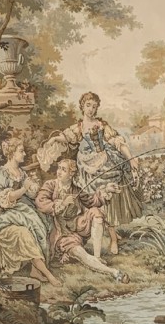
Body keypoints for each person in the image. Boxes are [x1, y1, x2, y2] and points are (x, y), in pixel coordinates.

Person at [0, 137, 60, 286]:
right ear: (11, 153)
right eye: (21, 151)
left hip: (18, 211)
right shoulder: (1, 173)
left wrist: (33, 186)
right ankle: (47, 274)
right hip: (1, 215)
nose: (24, 154)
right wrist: (24, 188)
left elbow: (29, 194)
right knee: (25, 232)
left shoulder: (21, 173)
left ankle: (36, 270)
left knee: (43, 223)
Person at [35, 158, 129, 283]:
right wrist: (62, 204)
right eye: (59, 168)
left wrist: (106, 190)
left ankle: (97, 256)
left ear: (71, 174)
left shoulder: (75, 189)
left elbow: (92, 201)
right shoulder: (51, 185)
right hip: (61, 233)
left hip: (77, 227)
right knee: (81, 254)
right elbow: (40, 202)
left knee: (96, 212)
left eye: (64, 170)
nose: (59, 172)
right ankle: (114, 272)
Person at [59, 92, 143, 228]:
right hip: (86, 163)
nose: (91, 109)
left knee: (113, 179)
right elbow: (66, 137)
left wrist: (131, 158)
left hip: (105, 159)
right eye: (88, 105)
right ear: (82, 106)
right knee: (89, 189)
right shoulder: (79, 127)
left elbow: (116, 141)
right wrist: (54, 139)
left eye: (94, 106)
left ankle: (113, 223)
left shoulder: (101, 125)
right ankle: (94, 222)